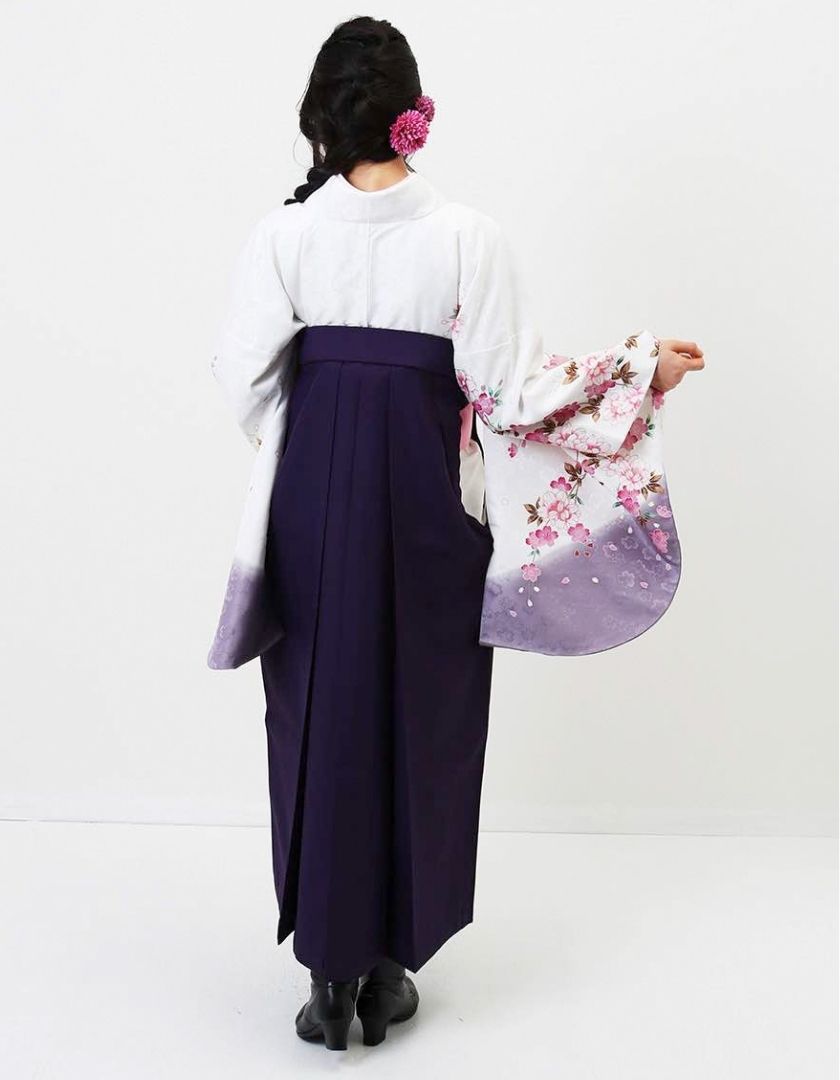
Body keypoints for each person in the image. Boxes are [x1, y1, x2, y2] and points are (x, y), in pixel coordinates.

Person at [207, 16, 705, 1052]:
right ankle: (392, 968)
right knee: (424, 714)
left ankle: (327, 978)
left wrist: (324, 432)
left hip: (311, 502)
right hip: (431, 496)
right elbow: (512, 393)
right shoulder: (468, 237)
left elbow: (245, 385)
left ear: (321, 117)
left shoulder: (284, 237)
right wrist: (636, 369)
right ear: (412, 115)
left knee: (317, 715)